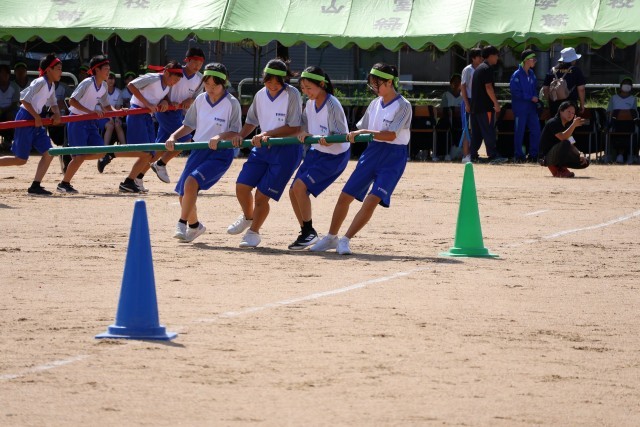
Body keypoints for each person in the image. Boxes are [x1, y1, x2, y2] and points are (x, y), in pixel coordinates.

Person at [310, 62, 412, 255]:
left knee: (372, 199)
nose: (374, 87)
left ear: (389, 82)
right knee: (345, 196)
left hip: (393, 157)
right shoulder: (374, 104)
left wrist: (364, 132)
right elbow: (361, 129)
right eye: (372, 83)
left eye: (377, 83)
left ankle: (345, 239)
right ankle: (331, 237)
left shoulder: (403, 105)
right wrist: (335, 137)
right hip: (372, 152)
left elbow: (391, 135)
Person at [226, 58, 303, 248]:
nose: (273, 86)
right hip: (262, 148)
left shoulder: (292, 94)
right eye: (269, 81)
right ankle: (248, 217)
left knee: (261, 196)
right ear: (264, 79)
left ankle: (253, 232)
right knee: (242, 186)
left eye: (278, 82)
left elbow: (294, 127)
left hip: (286, 151)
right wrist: (240, 135)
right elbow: (251, 121)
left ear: (285, 80)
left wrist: (268, 133)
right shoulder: (260, 95)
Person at [165, 62, 242, 243]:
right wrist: (173, 136)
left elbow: (236, 131)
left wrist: (220, 136)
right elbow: (189, 125)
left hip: (220, 153)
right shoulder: (200, 100)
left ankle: (181, 223)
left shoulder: (232, 103)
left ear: (224, 83)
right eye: (207, 84)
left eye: (215, 85)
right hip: (198, 150)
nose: (210, 89)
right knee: (183, 195)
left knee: (191, 182)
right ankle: (194, 226)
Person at [288, 66, 350, 250]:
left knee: (300, 187)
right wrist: (303, 133)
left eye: (309, 88)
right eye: (303, 88)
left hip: (334, 156)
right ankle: (307, 232)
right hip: (316, 152)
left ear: (322, 84)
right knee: (293, 191)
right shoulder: (309, 104)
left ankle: (308, 232)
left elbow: (340, 135)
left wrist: (328, 140)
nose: (306, 92)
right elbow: (304, 127)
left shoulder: (332, 104)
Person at [96, 61, 183, 193]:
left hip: (147, 115)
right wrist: (147, 104)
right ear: (166, 73)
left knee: (150, 153)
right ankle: (110, 153)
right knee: (143, 151)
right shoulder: (153, 78)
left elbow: (161, 95)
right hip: (137, 113)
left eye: (177, 81)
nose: (174, 83)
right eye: (174, 79)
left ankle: (129, 181)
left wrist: (165, 101)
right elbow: (131, 85)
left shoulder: (167, 85)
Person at [0, 53, 62, 195]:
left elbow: (53, 103)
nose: (60, 71)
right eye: (58, 68)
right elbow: (24, 99)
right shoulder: (40, 82)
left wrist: (57, 114)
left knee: (49, 152)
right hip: (26, 117)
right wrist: (36, 116)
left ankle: (35, 185)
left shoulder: (51, 85)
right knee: (20, 159)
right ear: (49, 70)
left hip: (36, 119)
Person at [56, 55, 116, 194]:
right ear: (97, 70)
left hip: (90, 121)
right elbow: (72, 101)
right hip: (76, 120)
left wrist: (119, 111)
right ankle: (64, 183)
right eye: (106, 69)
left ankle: (72, 156)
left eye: (109, 68)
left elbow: (106, 105)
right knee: (80, 157)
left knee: (101, 151)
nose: (108, 71)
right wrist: (90, 112)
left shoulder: (104, 85)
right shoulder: (87, 83)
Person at [150, 48, 205, 184]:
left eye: (200, 63)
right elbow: (163, 86)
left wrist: (190, 100)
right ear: (187, 60)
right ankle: (161, 164)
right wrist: (166, 100)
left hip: (178, 113)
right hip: (165, 110)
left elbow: (197, 97)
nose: (197, 66)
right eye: (195, 62)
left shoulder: (200, 79)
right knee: (185, 139)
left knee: (159, 148)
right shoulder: (176, 71)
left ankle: (135, 178)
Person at [470, 45, 506, 163]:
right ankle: (493, 155)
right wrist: (496, 103)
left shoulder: (479, 68)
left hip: (475, 107)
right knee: (489, 131)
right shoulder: (487, 68)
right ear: (490, 56)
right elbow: (488, 87)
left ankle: (473, 155)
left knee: (477, 133)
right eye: (496, 55)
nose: (497, 58)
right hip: (485, 107)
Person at [540, 101, 589, 178]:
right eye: (568, 111)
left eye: (573, 113)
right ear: (561, 111)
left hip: (558, 155)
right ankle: (559, 170)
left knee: (585, 161)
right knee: (565, 143)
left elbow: (571, 143)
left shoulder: (567, 125)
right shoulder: (553, 122)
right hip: (547, 158)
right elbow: (563, 138)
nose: (571, 115)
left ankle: (562, 168)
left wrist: (580, 154)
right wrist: (573, 125)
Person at [509, 49, 541, 162]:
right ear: (527, 60)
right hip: (520, 108)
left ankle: (533, 155)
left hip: (531, 108)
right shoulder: (516, 74)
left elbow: (534, 89)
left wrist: (535, 97)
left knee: (536, 130)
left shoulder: (532, 74)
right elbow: (515, 91)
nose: (535, 61)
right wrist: (530, 97)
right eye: (533, 59)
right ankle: (519, 155)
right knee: (519, 132)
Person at [542, 47, 587, 116]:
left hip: (554, 106)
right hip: (570, 106)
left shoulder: (552, 70)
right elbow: (581, 89)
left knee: (555, 122)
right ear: (572, 59)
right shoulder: (576, 71)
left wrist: (549, 103)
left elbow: (545, 88)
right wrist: (582, 105)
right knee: (570, 123)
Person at [605, 76, 638, 164]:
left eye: (629, 84)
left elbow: (634, 113)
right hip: (615, 124)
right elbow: (608, 112)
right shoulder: (613, 98)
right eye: (625, 84)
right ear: (620, 86)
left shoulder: (633, 99)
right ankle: (618, 154)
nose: (627, 85)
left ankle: (631, 154)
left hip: (629, 124)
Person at [459, 48, 482, 163]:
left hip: (478, 101)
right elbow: (463, 87)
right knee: (466, 129)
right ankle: (466, 155)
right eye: (479, 56)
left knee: (476, 128)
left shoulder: (482, 69)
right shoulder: (467, 70)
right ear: (473, 58)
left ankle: (473, 153)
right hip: (468, 100)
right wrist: (467, 104)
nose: (481, 58)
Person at [100, 71, 126, 146]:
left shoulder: (118, 92)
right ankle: (105, 148)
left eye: (112, 78)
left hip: (114, 114)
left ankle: (124, 147)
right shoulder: (101, 91)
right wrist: (110, 119)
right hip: (102, 115)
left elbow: (118, 107)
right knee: (110, 125)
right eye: (109, 78)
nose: (111, 80)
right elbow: (103, 107)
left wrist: (117, 118)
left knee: (117, 124)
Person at [0, 64, 20, 150]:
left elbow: (15, 103)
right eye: (2, 73)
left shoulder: (15, 86)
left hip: (11, 111)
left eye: (6, 73)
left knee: (10, 116)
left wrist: (4, 110)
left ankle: (8, 140)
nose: (4, 75)